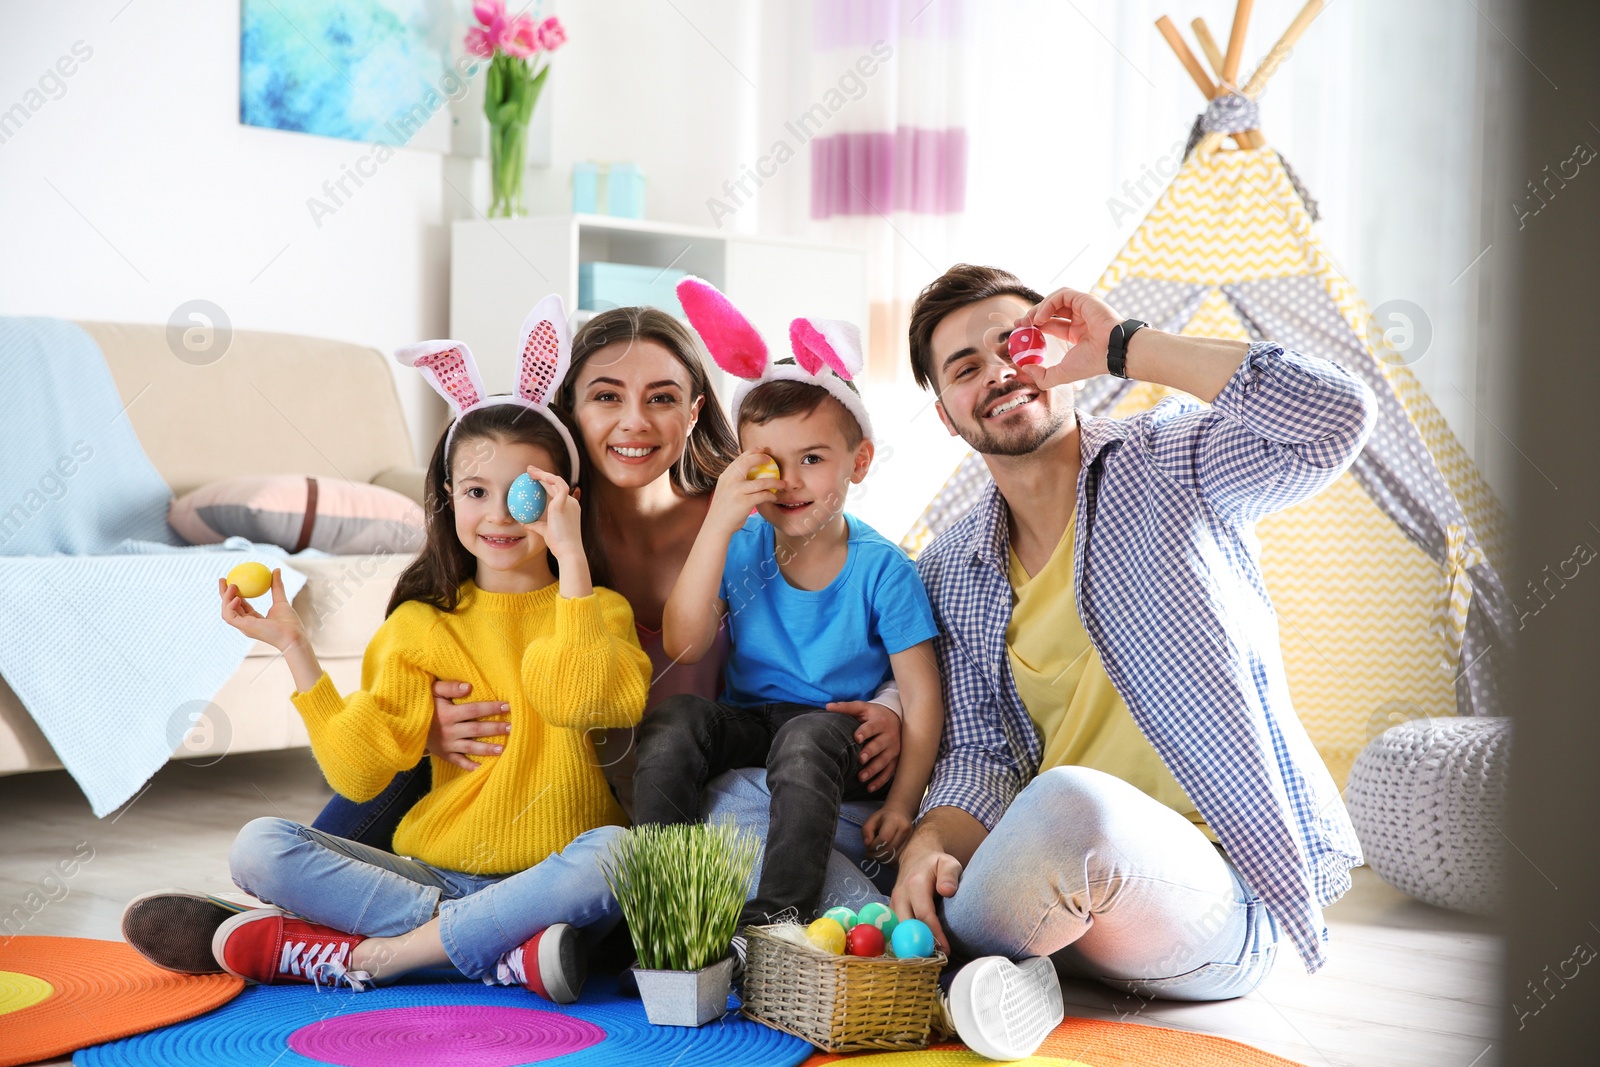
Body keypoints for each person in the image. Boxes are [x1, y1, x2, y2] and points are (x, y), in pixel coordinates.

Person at [120, 304, 902, 971]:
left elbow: (858, 595)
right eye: (605, 396)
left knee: (654, 850)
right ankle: (452, 930)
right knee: (412, 738)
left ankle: (341, 935)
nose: (635, 421)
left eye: (663, 397)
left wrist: (894, 704)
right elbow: (386, 726)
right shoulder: (527, 520)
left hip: (648, 805)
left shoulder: (747, 516)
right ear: (569, 412)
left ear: (699, 410)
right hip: (506, 781)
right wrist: (419, 723)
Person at [889, 265, 1374, 1060]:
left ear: (1056, 350)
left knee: (1069, 807)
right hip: (1062, 897)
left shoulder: (1174, 457)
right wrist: (922, 843)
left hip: (1217, 896)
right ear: (945, 414)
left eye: (1017, 344)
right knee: (896, 859)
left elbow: (1336, 417)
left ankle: (971, 959)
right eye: (965, 368)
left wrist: (1123, 347)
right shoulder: (953, 565)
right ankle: (1013, 976)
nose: (1000, 373)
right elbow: (979, 754)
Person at [199, 299, 651, 1001]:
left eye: (525, 494)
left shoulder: (597, 609)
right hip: (437, 875)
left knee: (619, 854)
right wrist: (295, 647)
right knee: (258, 845)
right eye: (475, 490)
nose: (498, 514)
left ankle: (385, 954)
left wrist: (569, 560)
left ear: (566, 497)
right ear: (447, 496)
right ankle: (491, 949)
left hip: (554, 879)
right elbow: (360, 770)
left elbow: (580, 698)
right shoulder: (422, 623)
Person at [631, 279, 943, 934]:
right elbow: (686, 643)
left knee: (803, 739)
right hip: (753, 721)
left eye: (813, 459)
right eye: (771, 461)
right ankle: (660, 895)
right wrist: (717, 521)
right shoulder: (740, 541)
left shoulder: (883, 568)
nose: (792, 480)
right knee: (676, 719)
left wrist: (904, 802)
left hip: (836, 733)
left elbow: (922, 698)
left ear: (858, 463)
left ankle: (777, 915)